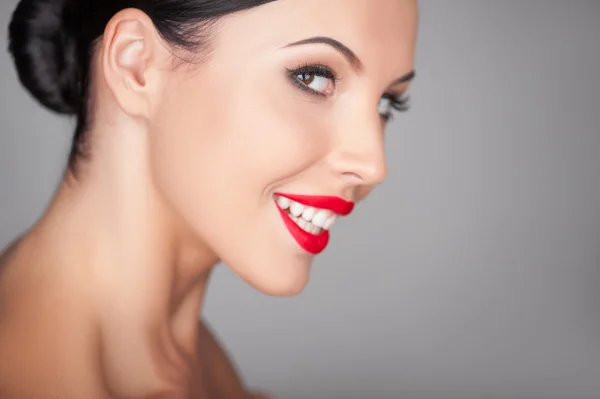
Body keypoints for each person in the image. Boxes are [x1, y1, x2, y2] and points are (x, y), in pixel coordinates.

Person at [0, 0, 418, 397]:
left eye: (386, 102)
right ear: (137, 64)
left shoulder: (186, 362)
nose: (372, 165)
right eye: (313, 76)